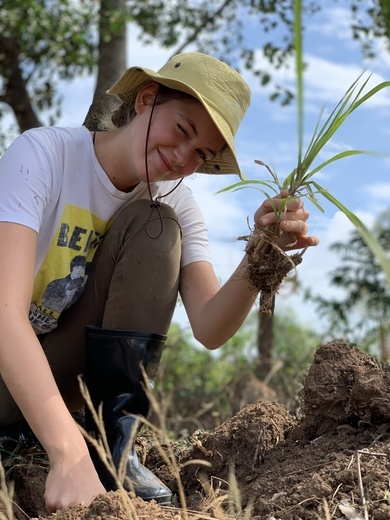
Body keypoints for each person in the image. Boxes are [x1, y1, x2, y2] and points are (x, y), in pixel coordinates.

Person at [0, 52, 319, 512]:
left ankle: (115, 452)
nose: (181, 159)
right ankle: (69, 446)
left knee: (158, 227)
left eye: (201, 155)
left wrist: (260, 256)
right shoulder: (43, 155)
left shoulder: (176, 203)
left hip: (53, 373)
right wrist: (65, 452)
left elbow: (210, 327)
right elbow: (7, 315)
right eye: (183, 131)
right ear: (147, 99)